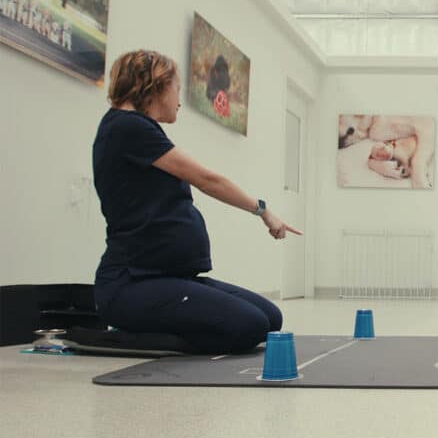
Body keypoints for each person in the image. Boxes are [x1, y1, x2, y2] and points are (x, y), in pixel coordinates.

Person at [91, 50, 301, 354]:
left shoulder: (135, 129)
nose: (179, 99)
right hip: (132, 283)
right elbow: (207, 180)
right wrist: (262, 210)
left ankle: (160, 325)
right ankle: (137, 337)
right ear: (156, 85)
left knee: (270, 318)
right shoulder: (127, 127)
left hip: (167, 277)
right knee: (250, 326)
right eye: (176, 88)